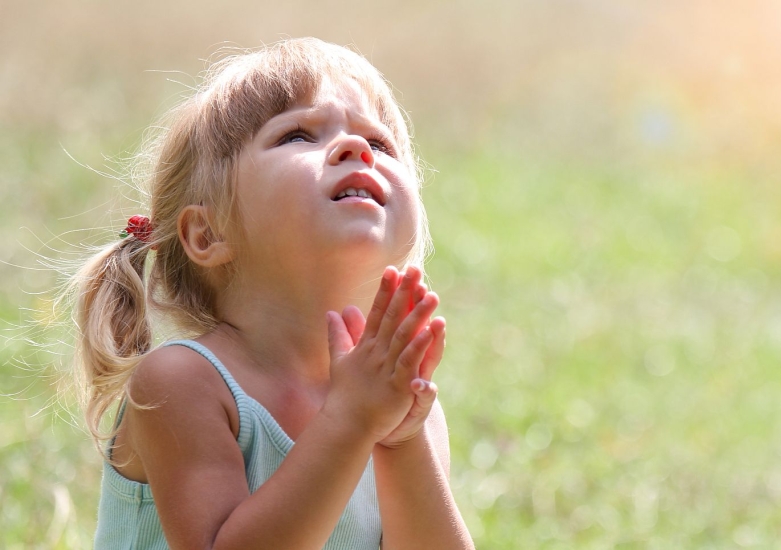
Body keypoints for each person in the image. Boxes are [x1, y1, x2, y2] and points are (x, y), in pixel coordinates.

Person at [65, 37, 475, 549]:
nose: (358, 149)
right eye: (299, 135)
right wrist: (350, 421)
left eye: (382, 143)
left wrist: (401, 438)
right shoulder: (183, 383)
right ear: (207, 234)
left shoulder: (401, 402)